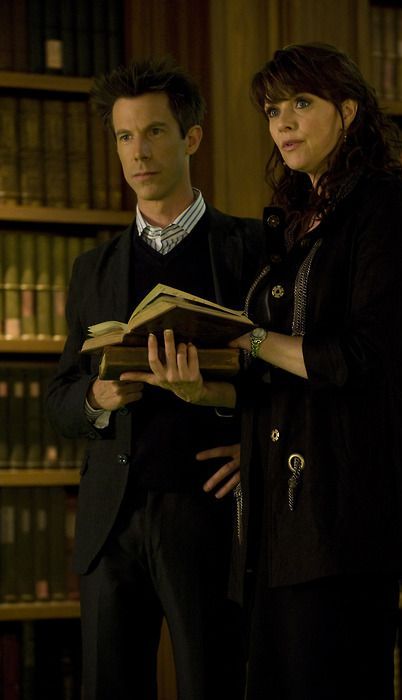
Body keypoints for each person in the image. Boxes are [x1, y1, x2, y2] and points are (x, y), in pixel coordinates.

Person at [122, 43, 402, 699]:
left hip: (346, 511)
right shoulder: (291, 220)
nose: (283, 122)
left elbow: (357, 358)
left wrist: (249, 338)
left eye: (301, 103)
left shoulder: (387, 209)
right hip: (275, 515)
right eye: (272, 110)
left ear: (348, 112)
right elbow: (274, 372)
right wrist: (200, 388)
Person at [45, 57, 263, 700]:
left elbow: (291, 377)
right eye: (123, 136)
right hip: (110, 525)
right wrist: (96, 398)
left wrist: (250, 436)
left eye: (154, 132)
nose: (137, 152)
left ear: (191, 137)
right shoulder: (93, 268)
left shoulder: (251, 250)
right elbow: (58, 399)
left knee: (214, 685)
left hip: (212, 515)